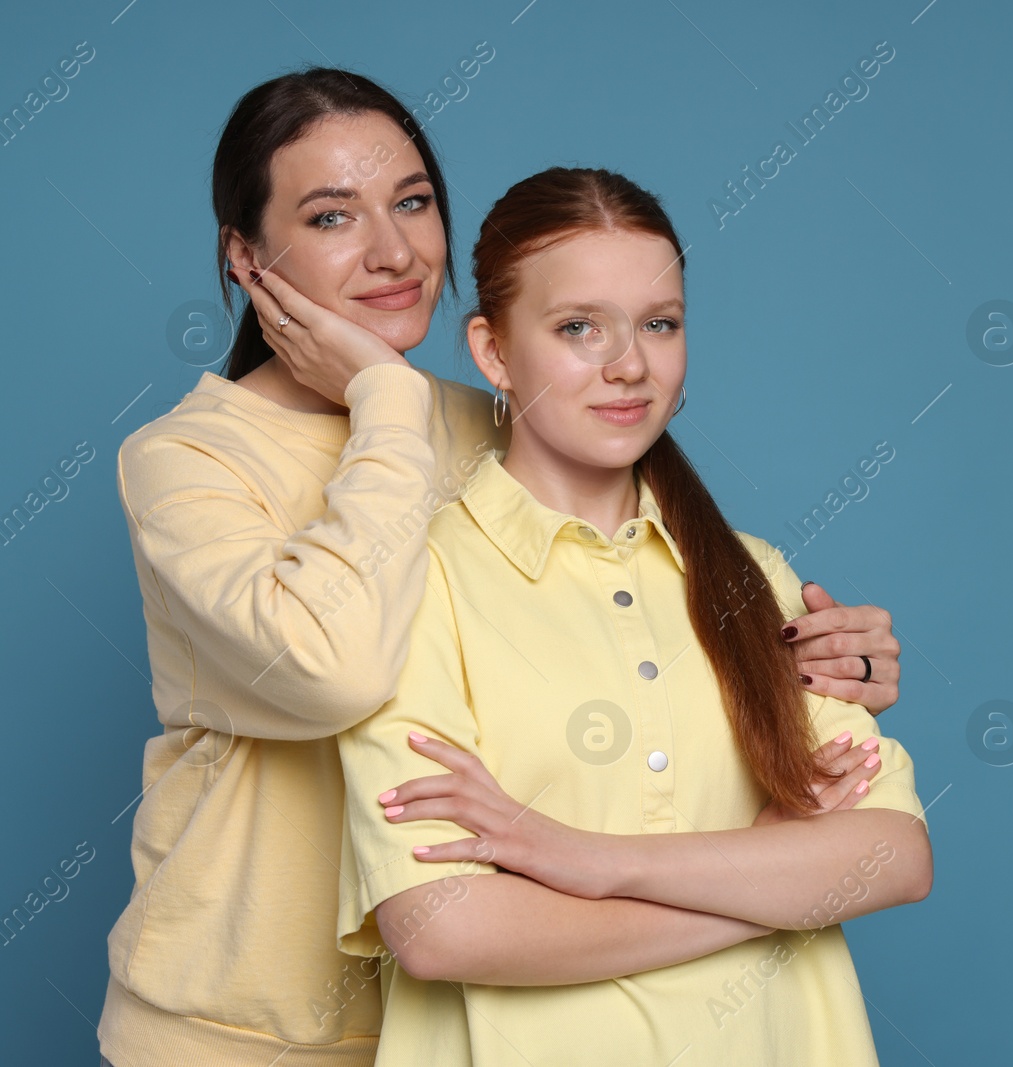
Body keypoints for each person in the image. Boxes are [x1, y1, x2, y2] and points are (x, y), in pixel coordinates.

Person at [98, 68, 903, 1067]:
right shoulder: (187, 461)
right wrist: (386, 397)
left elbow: (655, 626)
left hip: (495, 1009)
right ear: (243, 255)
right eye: (331, 214)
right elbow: (335, 668)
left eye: (414, 202)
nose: (393, 250)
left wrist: (820, 656)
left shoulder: (516, 411)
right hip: (247, 1026)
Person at [335, 166, 933, 1067]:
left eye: (660, 324)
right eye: (579, 327)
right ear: (493, 352)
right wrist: (762, 882)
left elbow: (890, 855)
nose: (630, 365)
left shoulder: (754, 573)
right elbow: (442, 928)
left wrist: (587, 858)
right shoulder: (415, 583)